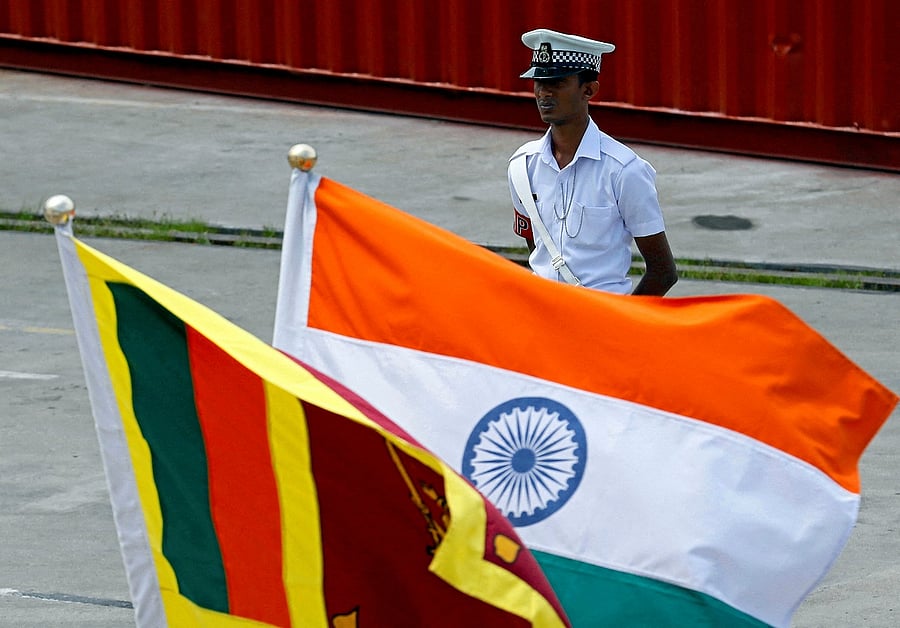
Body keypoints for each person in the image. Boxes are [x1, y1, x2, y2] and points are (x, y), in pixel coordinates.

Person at [508, 28, 678, 296]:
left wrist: (620, 324)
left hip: (600, 318)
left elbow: (663, 270)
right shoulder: (522, 167)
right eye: (539, 82)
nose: (544, 93)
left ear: (589, 89)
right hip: (541, 317)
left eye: (558, 82)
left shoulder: (624, 171)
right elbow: (537, 247)